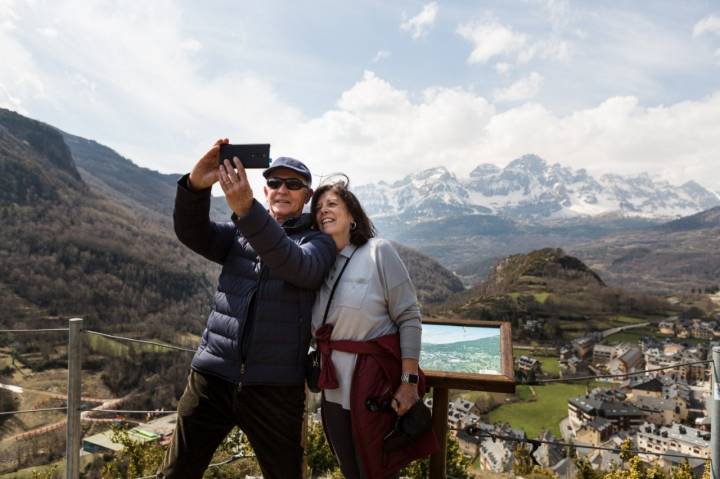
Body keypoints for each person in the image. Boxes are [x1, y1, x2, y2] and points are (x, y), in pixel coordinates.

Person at [158, 139, 336, 479]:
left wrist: (246, 210)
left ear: (307, 196)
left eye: (293, 184)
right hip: (212, 377)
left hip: (276, 388)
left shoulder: (318, 243)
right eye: (274, 182)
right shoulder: (239, 235)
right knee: (175, 473)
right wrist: (196, 185)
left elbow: (295, 265)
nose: (282, 189)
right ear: (266, 189)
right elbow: (191, 231)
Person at [310, 177, 438, 479]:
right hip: (332, 392)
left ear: (352, 215)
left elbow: (408, 316)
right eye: (317, 208)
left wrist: (408, 383)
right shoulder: (318, 264)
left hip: (375, 389)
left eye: (332, 204)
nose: (323, 211)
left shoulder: (377, 252)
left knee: (379, 469)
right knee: (351, 470)